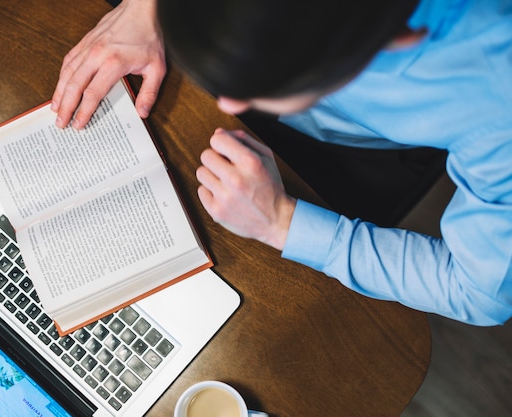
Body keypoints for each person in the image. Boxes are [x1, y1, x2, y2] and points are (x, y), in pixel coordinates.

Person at [51, 0, 512, 326]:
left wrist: (281, 222)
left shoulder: (497, 106)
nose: (229, 103)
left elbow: (481, 293)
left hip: (356, 155)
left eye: (256, 86)